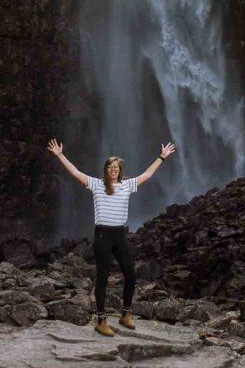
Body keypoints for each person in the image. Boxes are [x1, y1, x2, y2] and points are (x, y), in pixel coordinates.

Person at [47, 137, 176, 336]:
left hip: (119, 234)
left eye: (116, 167)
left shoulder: (127, 185)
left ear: (119, 170)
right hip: (102, 235)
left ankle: (126, 314)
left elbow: (148, 175)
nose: (114, 169)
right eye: (110, 167)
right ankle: (101, 320)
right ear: (106, 170)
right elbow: (75, 173)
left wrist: (162, 157)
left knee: (131, 274)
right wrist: (60, 155)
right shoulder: (96, 184)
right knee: (103, 278)